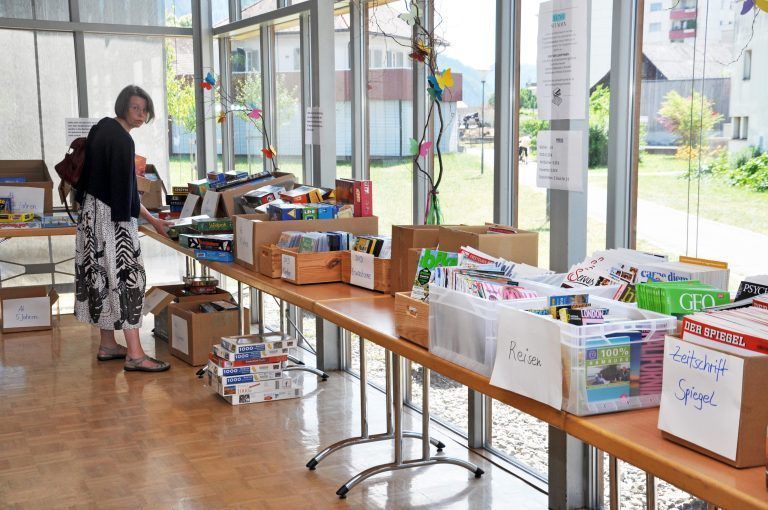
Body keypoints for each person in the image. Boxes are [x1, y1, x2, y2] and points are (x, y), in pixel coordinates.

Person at [74, 85, 172, 372]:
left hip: (91, 215)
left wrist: (153, 220)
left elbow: (109, 184)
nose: (140, 115)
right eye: (135, 108)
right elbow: (125, 194)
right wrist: (141, 223)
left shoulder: (101, 128)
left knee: (100, 277)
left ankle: (107, 345)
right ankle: (136, 355)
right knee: (128, 279)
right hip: (112, 220)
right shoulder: (123, 140)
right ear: (123, 107)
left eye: (144, 110)